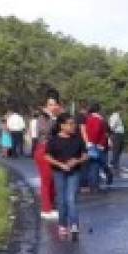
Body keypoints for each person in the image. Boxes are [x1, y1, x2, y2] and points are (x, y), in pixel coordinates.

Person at [45, 112, 87, 241]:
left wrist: (77, 161)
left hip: (74, 172)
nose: (73, 126)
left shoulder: (78, 139)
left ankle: (74, 225)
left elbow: (85, 155)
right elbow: (47, 156)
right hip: (59, 172)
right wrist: (60, 164)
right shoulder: (54, 140)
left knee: (71, 199)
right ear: (62, 126)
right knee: (62, 200)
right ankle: (62, 225)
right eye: (70, 124)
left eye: (74, 123)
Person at [33, 90, 64, 220]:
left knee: (53, 181)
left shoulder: (56, 117)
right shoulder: (42, 118)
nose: (52, 107)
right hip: (43, 150)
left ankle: (51, 206)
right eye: (49, 104)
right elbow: (45, 131)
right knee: (46, 181)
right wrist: (53, 118)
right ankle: (46, 209)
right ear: (45, 105)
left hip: (53, 150)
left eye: (54, 104)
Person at [83, 102, 110, 191]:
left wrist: (88, 142)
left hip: (89, 144)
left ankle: (92, 184)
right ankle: (95, 185)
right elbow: (100, 132)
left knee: (91, 165)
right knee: (96, 165)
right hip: (97, 145)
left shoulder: (88, 119)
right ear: (98, 110)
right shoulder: (99, 120)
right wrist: (100, 144)